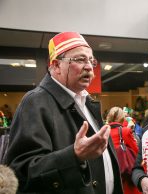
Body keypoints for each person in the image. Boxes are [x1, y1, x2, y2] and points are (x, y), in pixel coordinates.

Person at [5, 32, 122, 194]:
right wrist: (74, 156)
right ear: (56, 65)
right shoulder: (35, 102)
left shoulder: (87, 102)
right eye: (80, 59)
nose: (89, 66)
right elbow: (20, 174)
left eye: (91, 60)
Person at [106, 107, 140, 194]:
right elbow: (136, 152)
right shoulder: (125, 131)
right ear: (122, 118)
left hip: (109, 171)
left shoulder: (103, 131)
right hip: (125, 173)